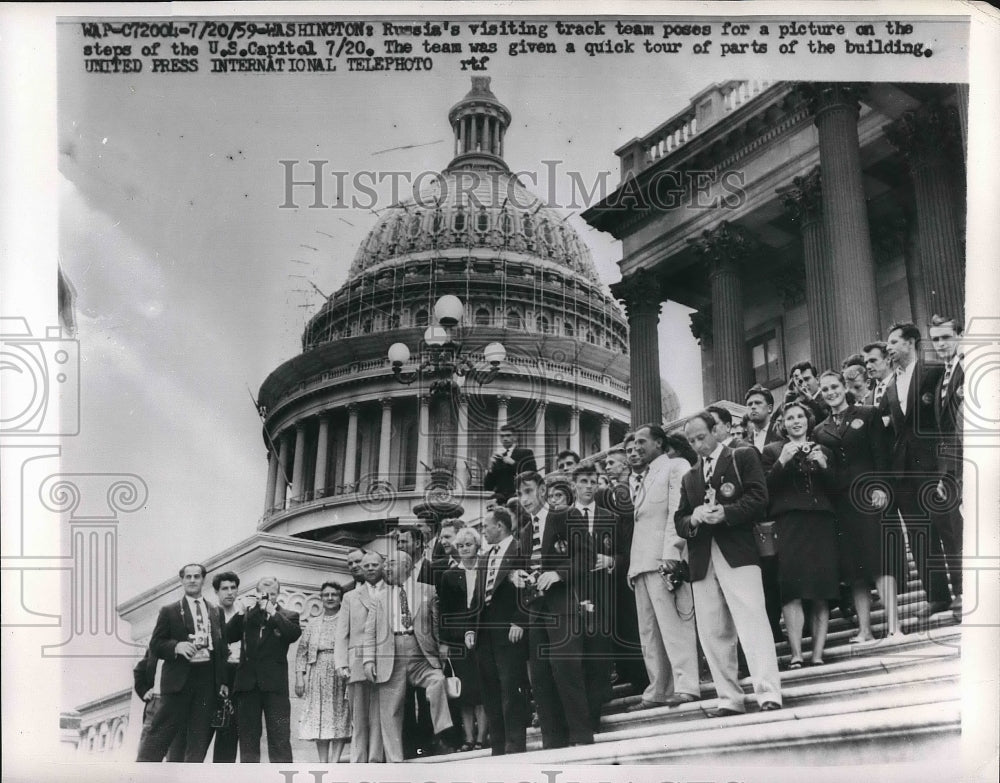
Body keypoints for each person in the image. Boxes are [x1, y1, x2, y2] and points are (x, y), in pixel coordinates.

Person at [675, 412, 782, 717]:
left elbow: (759, 497)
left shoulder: (743, 456)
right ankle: (728, 698)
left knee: (753, 623)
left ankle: (768, 693)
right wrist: (693, 518)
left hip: (738, 552)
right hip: (702, 559)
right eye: (692, 441)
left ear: (717, 431)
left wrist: (726, 512)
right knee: (712, 632)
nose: (698, 445)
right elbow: (679, 521)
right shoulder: (689, 477)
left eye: (701, 437)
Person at [623, 426, 701, 713]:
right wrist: (633, 568)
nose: (636, 447)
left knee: (674, 626)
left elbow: (675, 512)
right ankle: (659, 688)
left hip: (664, 561)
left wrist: (672, 554)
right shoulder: (641, 479)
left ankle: (686, 685)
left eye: (642, 441)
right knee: (649, 632)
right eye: (632, 443)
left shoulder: (674, 466)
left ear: (659, 442)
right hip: (642, 565)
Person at [813, 371, 895, 642]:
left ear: (844, 387)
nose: (830, 392)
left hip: (869, 498)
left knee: (880, 562)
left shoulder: (868, 414)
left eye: (834, 386)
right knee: (855, 570)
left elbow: (881, 453)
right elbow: (827, 474)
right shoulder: (819, 430)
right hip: (842, 504)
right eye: (825, 390)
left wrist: (881, 486)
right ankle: (865, 630)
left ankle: (894, 626)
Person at [514, 470, 594, 748]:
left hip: (564, 604)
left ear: (542, 489)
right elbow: (529, 567)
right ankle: (553, 744)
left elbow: (586, 556)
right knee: (540, 678)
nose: (524, 498)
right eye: (520, 493)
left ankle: (582, 739)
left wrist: (558, 574)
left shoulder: (566, 515)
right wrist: (523, 577)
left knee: (566, 670)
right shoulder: (524, 531)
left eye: (528, 491)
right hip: (537, 610)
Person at [880, 322, 953, 620]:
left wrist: (944, 467)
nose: (889, 347)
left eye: (894, 341)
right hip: (904, 473)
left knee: (946, 529)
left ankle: (962, 590)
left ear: (910, 343)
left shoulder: (933, 372)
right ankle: (936, 596)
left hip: (934, 466)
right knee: (920, 535)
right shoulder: (888, 387)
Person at [761, 402, 839, 667]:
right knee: (791, 590)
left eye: (800, 417)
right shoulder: (771, 451)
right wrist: (782, 461)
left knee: (821, 590)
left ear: (808, 420)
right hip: (789, 524)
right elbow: (764, 490)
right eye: (789, 418)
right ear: (782, 424)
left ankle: (817, 654)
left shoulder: (824, 449)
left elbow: (837, 491)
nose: (796, 421)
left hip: (820, 524)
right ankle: (796, 654)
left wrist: (824, 465)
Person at [362, 552, 454, 762]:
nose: (386, 569)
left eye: (391, 564)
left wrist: (442, 648)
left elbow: (436, 625)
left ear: (406, 566)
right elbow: (370, 631)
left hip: (421, 653)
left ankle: (443, 729)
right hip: (390, 654)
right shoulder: (379, 598)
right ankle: (395, 760)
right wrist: (368, 660)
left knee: (438, 681)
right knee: (390, 710)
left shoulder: (428, 591)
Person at [137, 563, 229, 762]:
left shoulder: (215, 611)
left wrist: (222, 681)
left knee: (198, 741)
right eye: (188, 577)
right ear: (182, 581)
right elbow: (156, 643)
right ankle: (142, 774)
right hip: (178, 681)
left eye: (197, 576)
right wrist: (176, 646)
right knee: (159, 734)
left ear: (203, 580)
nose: (193, 580)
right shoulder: (169, 611)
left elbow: (221, 649)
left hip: (206, 681)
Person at [226, 576, 302, 763]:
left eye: (272, 593)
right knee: (248, 739)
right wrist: (241, 612)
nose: (267, 597)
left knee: (280, 738)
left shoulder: (288, 615)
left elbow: (292, 634)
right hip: (247, 685)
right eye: (263, 593)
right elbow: (227, 635)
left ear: (278, 595)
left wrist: (273, 613)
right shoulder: (247, 616)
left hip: (275, 686)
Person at [568, 462, 619, 731]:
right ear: (574, 485)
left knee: (599, 653)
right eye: (584, 482)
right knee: (577, 656)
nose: (589, 487)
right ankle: (579, 717)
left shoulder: (610, 518)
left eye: (593, 482)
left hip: (602, 595)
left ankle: (595, 716)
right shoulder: (562, 518)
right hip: (573, 596)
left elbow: (624, 554)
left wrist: (610, 560)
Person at [596, 448, 648, 693]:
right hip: (615, 567)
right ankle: (629, 674)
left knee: (635, 624)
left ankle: (642, 678)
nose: (607, 466)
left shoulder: (633, 489)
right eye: (605, 463)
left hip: (633, 560)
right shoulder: (607, 494)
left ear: (626, 465)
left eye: (611, 462)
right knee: (622, 623)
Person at [438, 526, 490, 752]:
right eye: (460, 545)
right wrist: (444, 642)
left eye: (468, 544)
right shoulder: (449, 576)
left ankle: (482, 737)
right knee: (464, 692)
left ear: (478, 546)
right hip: (458, 639)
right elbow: (445, 612)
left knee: (484, 689)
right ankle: (468, 738)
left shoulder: (486, 570)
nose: (464, 549)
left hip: (484, 634)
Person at [928, 314, 965, 620]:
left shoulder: (971, 368)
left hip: (975, 463)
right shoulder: (942, 376)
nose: (940, 344)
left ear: (959, 336)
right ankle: (964, 593)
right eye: (935, 339)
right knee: (954, 531)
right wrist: (944, 473)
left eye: (945, 337)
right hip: (952, 469)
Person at [334, 551, 385, 763]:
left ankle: (375, 758)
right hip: (356, 661)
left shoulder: (392, 591)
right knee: (359, 715)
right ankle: (359, 760)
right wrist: (341, 663)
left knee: (380, 714)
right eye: (366, 565)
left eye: (374, 564)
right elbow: (341, 633)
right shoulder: (349, 597)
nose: (370, 568)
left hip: (385, 659)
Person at [295, 582, 351, 762]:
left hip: (341, 670)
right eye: (326, 595)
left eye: (334, 594)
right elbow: (301, 652)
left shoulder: (347, 619)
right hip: (317, 670)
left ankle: (335, 761)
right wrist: (299, 678)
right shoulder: (313, 623)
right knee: (319, 715)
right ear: (321, 598)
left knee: (340, 713)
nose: (330, 598)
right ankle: (323, 762)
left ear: (340, 597)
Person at [211, 570, 242, 762]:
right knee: (206, 728)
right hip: (214, 677)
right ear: (217, 592)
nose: (229, 592)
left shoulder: (244, 614)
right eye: (224, 588)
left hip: (238, 675)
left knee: (229, 731)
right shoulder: (210, 615)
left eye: (233, 588)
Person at [133, 650, 186, 761]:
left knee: (172, 751)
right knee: (145, 750)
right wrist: (144, 692)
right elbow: (139, 671)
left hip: (173, 704)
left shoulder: (182, 648)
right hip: (155, 702)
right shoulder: (154, 649)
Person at [483, 425, 537, 502]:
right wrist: (491, 469)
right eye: (502, 436)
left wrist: (514, 463)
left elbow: (533, 474)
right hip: (500, 501)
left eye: (508, 435)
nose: (505, 439)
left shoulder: (526, 453)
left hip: (519, 499)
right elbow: (488, 487)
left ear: (515, 437)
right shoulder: (498, 457)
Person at [863, 341, 893, 407]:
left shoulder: (900, 384)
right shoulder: (868, 397)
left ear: (888, 359)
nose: (868, 367)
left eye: (873, 361)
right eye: (866, 363)